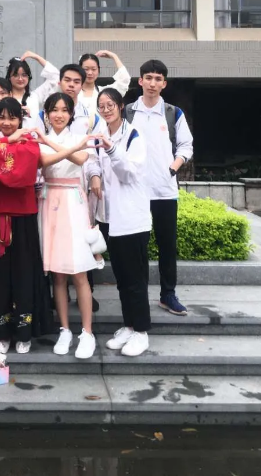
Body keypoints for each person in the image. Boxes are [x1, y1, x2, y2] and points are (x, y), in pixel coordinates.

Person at [0, 98, 53, 354]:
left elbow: (21, 175)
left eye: (12, 118)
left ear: (20, 119)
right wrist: (3, 144)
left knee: (24, 274)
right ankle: (1, 331)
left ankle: (24, 331)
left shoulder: (29, 142)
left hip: (23, 218)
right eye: (2, 117)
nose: (6, 123)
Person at [36, 92, 105, 360]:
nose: (59, 115)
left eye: (65, 110)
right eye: (54, 110)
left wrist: (47, 142)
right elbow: (43, 163)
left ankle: (87, 332)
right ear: (46, 114)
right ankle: (64, 329)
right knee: (58, 274)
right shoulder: (40, 140)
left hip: (74, 204)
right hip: (49, 202)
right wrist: (46, 142)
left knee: (79, 272)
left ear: (71, 114)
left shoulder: (77, 138)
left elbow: (80, 160)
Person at [126, 60, 193, 316]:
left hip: (165, 190)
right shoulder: (128, 112)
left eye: (157, 79)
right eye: (148, 78)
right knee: (137, 247)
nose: (152, 83)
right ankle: (139, 295)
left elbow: (186, 145)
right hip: (135, 190)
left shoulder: (173, 113)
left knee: (167, 245)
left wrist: (173, 168)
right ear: (140, 81)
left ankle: (168, 294)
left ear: (164, 84)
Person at [90, 88, 152, 357]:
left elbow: (129, 174)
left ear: (120, 106)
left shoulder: (133, 135)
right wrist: (94, 174)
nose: (106, 110)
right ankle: (129, 325)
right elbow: (93, 162)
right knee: (122, 279)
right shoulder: (101, 134)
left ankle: (141, 332)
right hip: (110, 218)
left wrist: (112, 149)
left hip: (131, 219)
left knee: (135, 279)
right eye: (101, 106)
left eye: (110, 105)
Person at [5, 51, 60, 120]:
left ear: (29, 77)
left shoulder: (35, 96)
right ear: (9, 77)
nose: (20, 79)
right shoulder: (3, 98)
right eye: (16, 75)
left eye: (24, 75)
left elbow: (56, 77)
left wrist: (35, 57)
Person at [78, 50, 131, 120]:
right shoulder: (72, 91)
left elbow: (124, 80)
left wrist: (114, 56)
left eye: (93, 69)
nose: (90, 73)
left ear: (98, 70)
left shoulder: (104, 92)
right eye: (86, 69)